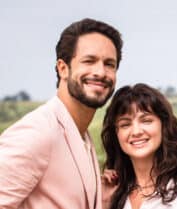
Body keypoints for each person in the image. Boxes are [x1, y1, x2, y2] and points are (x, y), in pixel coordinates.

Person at [0, 18, 123, 209]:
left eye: (109, 64)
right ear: (63, 68)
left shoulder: (82, 136)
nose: (100, 72)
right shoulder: (37, 132)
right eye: (89, 61)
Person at [101, 83, 177, 209]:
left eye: (146, 121)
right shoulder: (113, 195)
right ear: (116, 134)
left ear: (164, 126)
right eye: (125, 124)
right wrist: (104, 204)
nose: (136, 132)